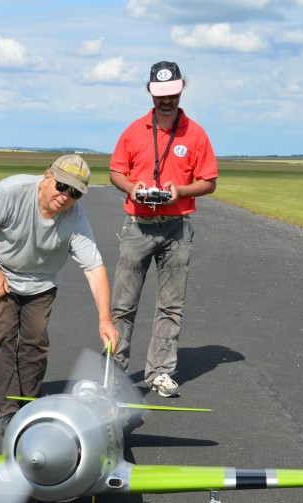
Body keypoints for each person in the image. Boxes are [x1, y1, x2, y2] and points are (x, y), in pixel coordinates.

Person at [0, 154, 120, 434]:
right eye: (62, 186)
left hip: (41, 281)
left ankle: (29, 404)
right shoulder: (10, 192)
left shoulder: (75, 217)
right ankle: (8, 411)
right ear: (47, 177)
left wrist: (105, 319)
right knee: (0, 342)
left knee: (35, 345)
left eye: (75, 192)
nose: (65, 196)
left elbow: (94, 267)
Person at [109, 60, 218, 397]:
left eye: (172, 94)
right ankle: (114, 374)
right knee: (122, 305)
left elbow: (209, 182)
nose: (166, 101)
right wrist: (131, 188)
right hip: (138, 226)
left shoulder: (196, 133)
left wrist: (179, 191)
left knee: (171, 305)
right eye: (160, 94)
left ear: (181, 89)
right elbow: (115, 173)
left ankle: (160, 372)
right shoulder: (132, 131)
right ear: (150, 91)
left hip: (176, 228)